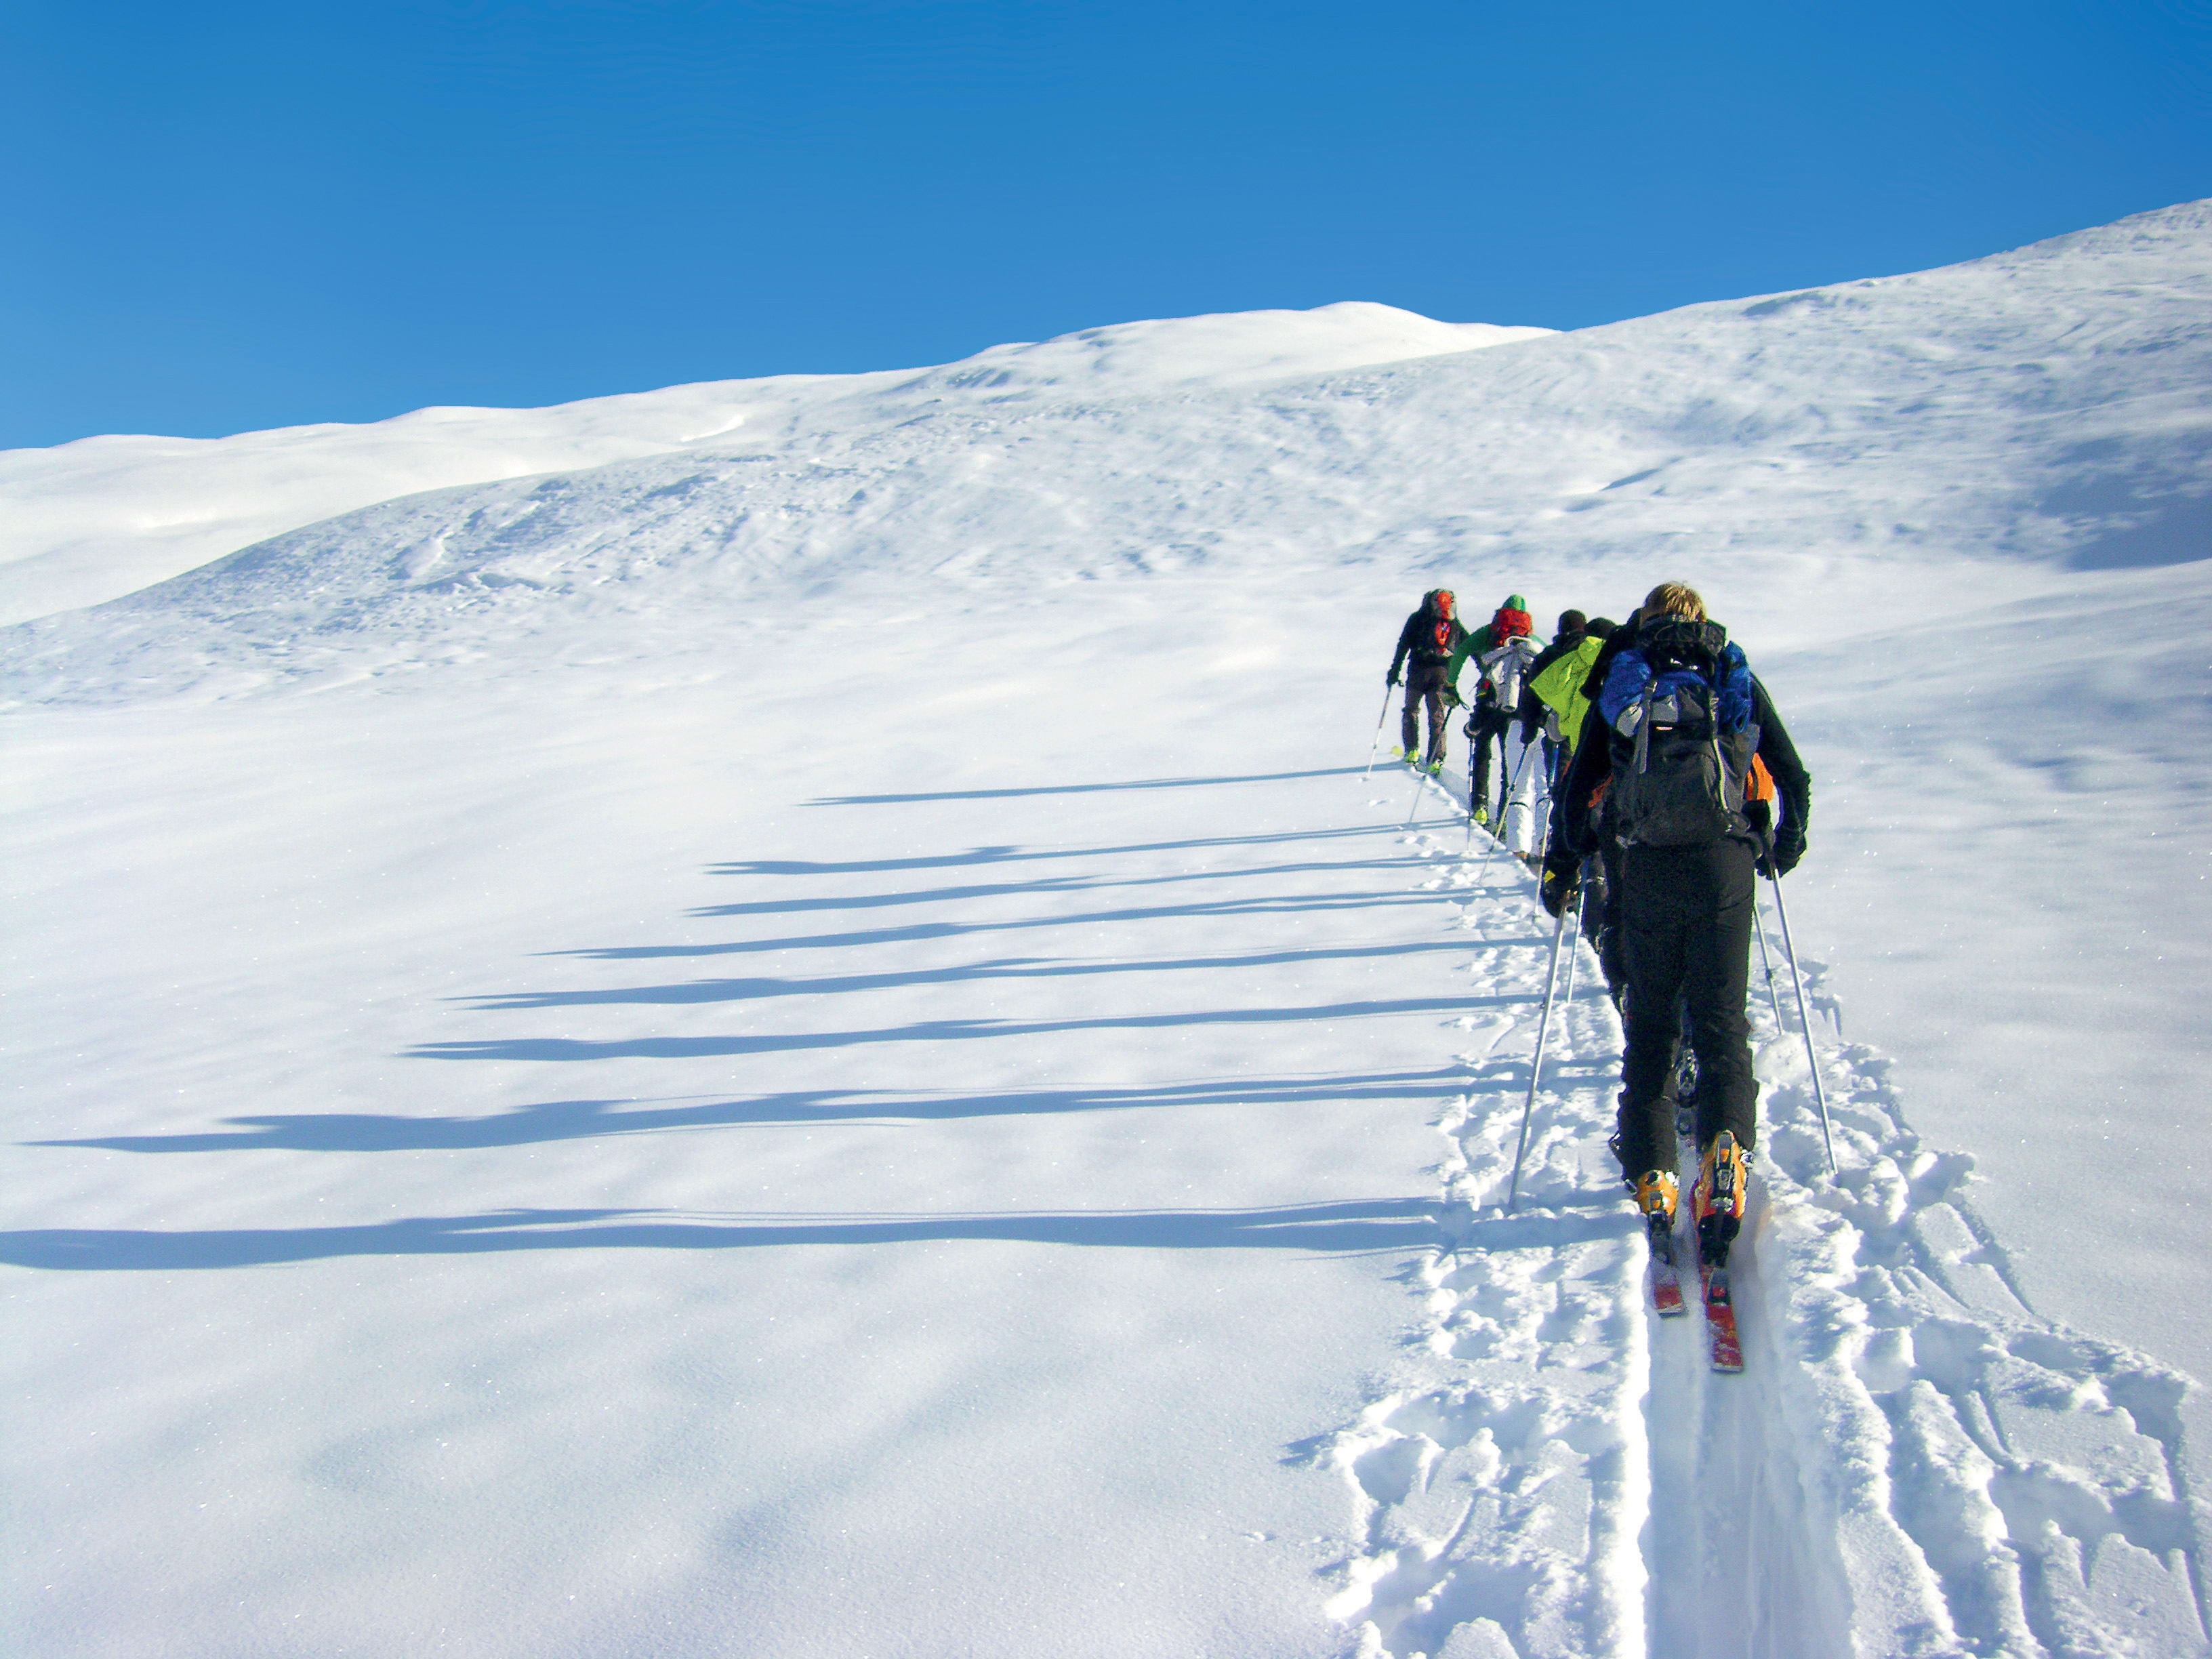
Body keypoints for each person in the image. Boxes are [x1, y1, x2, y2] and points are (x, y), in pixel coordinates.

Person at [1540, 582, 1810, 1271]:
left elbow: (1580, 784)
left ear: (1648, 617)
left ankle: (1655, 1172)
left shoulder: (1627, 673)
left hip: (1648, 864)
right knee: (1722, 1022)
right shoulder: (1730, 669)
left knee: (1653, 1025)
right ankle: (1727, 1152)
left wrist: (1565, 863)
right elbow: (1790, 769)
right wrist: (1784, 842)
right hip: (1725, 862)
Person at [1450, 595, 1540, 827]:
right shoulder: (1529, 636)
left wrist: (1451, 684)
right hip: (1517, 704)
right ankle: (1504, 817)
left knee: (1482, 747)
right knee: (1509, 756)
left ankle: (1479, 804)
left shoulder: (1490, 632)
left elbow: (1460, 653)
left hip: (1489, 696)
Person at [1386, 590, 1470, 773]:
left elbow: (1404, 644)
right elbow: (1469, 644)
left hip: (1417, 671)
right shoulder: (1453, 622)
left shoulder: (1417, 619)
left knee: (1411, 710)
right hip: (1442, 673)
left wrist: (1395, 670)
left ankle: (1412, 751)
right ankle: (1436, 759)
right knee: (1437, 717)